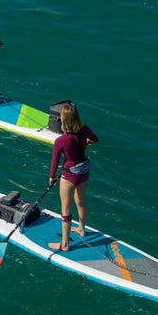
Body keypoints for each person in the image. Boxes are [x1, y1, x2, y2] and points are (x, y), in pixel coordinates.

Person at [47, 102, 99, 251]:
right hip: (83, 171)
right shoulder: (85, 130)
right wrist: (86, 143)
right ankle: (82, 229)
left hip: (69, 175)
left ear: (64, 120)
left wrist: (52, 177)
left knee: (66, 210)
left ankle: (64, 244)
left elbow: (55, 162)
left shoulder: (61, 140)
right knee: (80, 201)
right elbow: (95, 139)